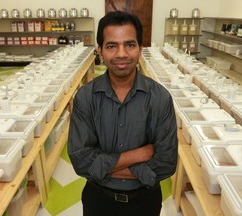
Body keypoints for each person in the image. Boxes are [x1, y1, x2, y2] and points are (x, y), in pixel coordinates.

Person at [68, 11, 178, 216]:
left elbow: (166, 164)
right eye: (111, 46)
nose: (121, 54)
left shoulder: (160, 98)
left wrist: (102, 168)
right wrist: (139, 154)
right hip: (98, 200)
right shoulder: (85, 97)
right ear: (100, 50)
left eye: (129, 44)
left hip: (144, 201)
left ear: (140, 49)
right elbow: (81, 161)